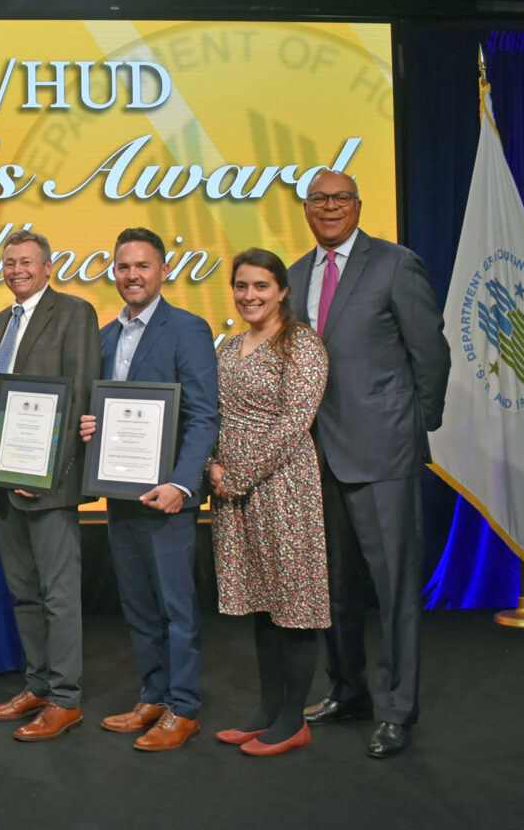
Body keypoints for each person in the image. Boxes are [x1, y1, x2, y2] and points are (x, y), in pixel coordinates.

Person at [288, 170, 451, 759]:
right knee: (333, 590)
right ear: (305, 209)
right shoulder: (295, 274)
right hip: (317, 456)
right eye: (318, 200)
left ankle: (398, 710)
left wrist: (415, 425)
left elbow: (430, 352)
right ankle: (348, 690)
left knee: (395, 590)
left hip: (385, 454)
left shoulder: (394, 263)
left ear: (358, 206)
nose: (328, 208)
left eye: (340, 199)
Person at [77, 227, 219, 752]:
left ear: (163, 271)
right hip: (120, 493)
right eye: (122, 267)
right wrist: (88, 428)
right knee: (138, 603)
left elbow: (205, 416)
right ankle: (153, 695)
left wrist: (183, 483)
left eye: (142, 266)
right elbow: (102, 409)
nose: (132, 275)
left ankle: (184, 708)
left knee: (176, 608)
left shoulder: (187, 329)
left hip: (169, 498)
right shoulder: (105, 336)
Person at [0, 228, 101, 742]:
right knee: (24, 593)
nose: (17, 269)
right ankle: (38, 686)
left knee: (58, 595)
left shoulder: (75, 313)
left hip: (49, 485)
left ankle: (66, 699)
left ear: (48, 268)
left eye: (27, 261)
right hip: (4, 481)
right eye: (9, 262)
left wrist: (44, 472)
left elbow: (80, 394)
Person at [209, 248, 330, 757]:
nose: (249, 295)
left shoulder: (302, 345)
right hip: (232, 493)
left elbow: (291, 425)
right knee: (262, 602)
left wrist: (236, 474)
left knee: (294, 605)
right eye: (241, 285)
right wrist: (211, 466)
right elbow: (212, 415)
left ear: (282, 290)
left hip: (284, 489)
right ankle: (264, 711)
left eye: (261, 286)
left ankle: (291, 720)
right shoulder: (229, 346)